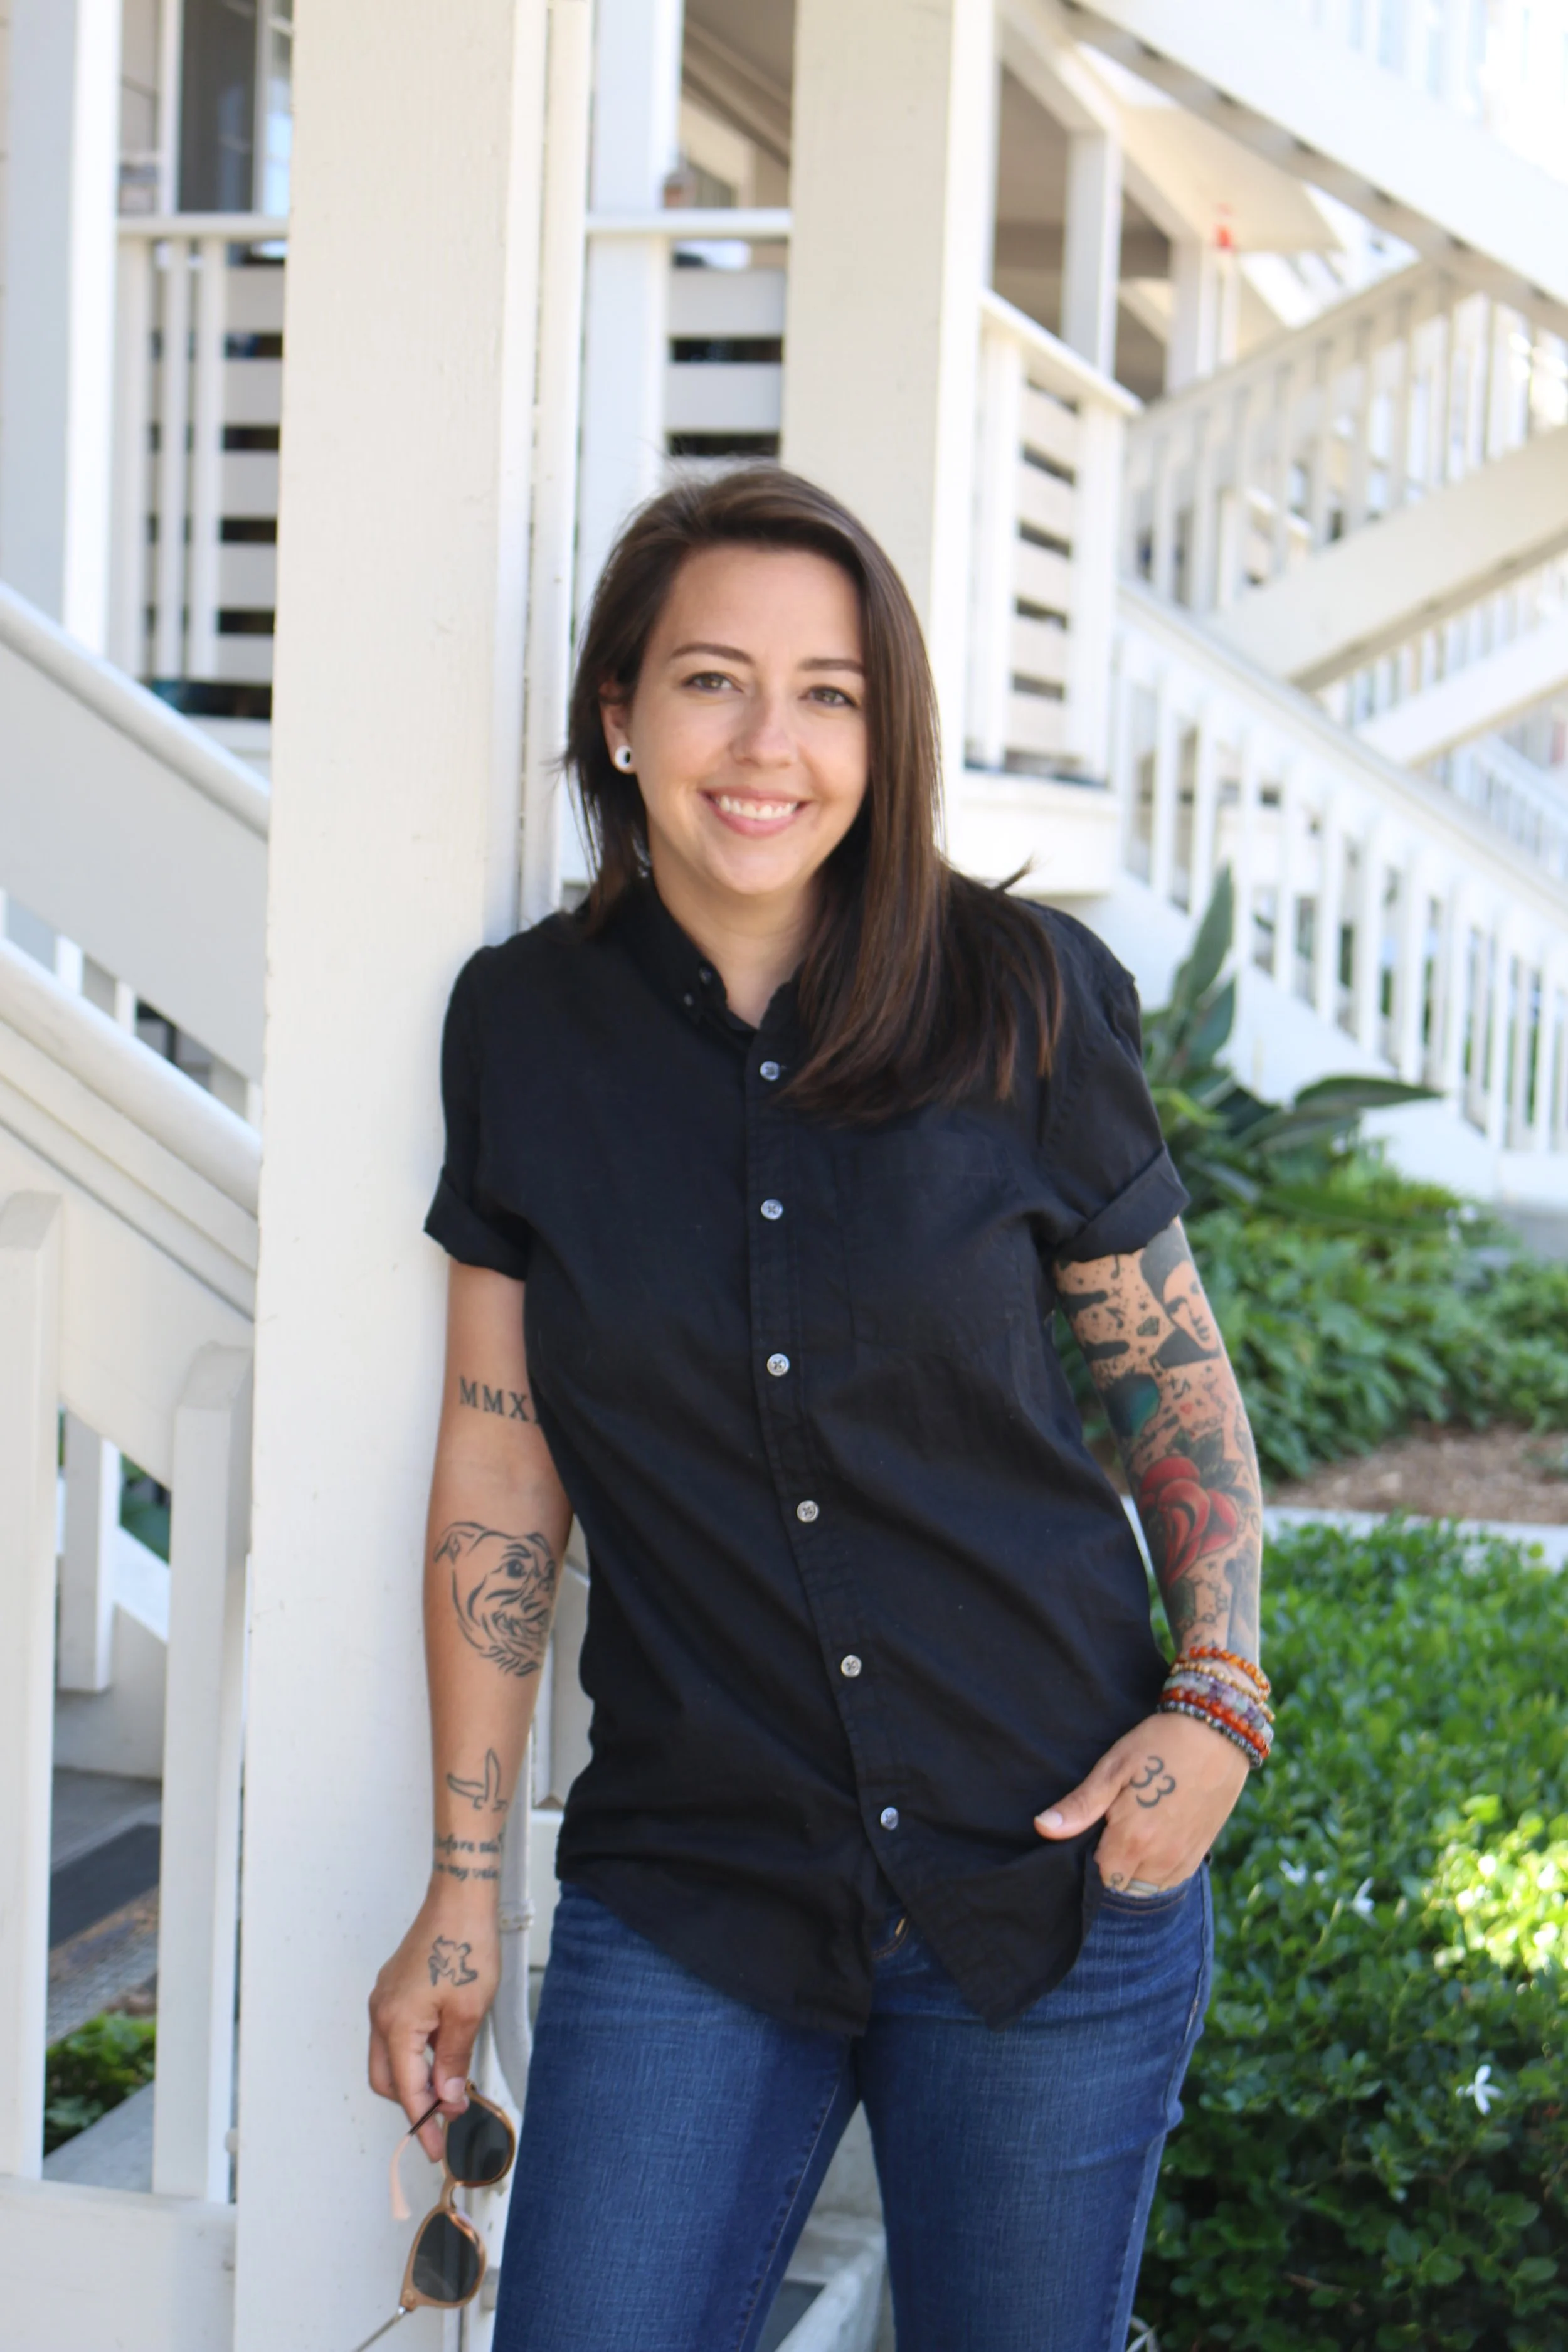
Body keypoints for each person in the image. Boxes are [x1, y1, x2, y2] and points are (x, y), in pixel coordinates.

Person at [368, 467, 1270, 2352]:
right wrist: (461, 1884)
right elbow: (498, 1454)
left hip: (1053, 1870)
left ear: (887, 730)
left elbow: (1167, 1379)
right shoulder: (523, 1028)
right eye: (710, 680)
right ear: (618, 716)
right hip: (696, 1878)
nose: (768, 743)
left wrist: (1218, 1699)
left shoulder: (1024, 997)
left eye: (830, 691)